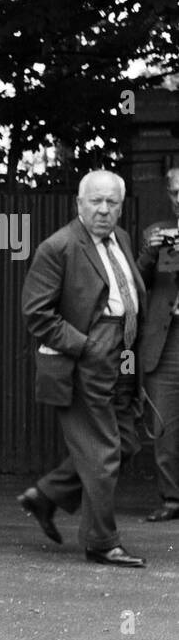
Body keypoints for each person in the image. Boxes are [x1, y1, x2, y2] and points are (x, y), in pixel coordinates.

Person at [18, 170, 145, 566]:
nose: (104, 210)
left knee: (125, 441)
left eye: (112, 203)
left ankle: (49, 494)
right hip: (86, 357)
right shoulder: (59, 247)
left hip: (123, 352)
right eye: (96, 201)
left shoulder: (120, 239)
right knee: (103, 450)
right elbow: (37, 314)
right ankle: (102, 542)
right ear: (79, 203)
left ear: (120, 207)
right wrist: (87, 347)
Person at [136, 167, 179, 522]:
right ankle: (172, 499)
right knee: (165, 423)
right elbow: (136, 284)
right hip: (167, 340)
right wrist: (150, 254)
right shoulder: (156, 233)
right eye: (176, 192)